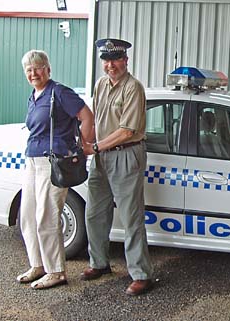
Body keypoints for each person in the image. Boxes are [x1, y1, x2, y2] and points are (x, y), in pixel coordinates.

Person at [81, 38, 153, 296]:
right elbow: (93, 117)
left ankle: (141, 274)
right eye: (106, 60)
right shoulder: (101, 84)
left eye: (115, 59)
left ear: (125, 60)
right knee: (94, 213)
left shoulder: (133, 88)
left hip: (125, 154)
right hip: (100, 156)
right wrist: (84, 141)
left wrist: (95, 147)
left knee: (131, 217)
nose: (110, 65)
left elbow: (126, 131)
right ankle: (99, 263)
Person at [17, 50, 94, 289]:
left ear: (48, 69)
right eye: (29, 70)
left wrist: (83, 145)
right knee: (28, 217)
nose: (33, 73)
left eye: (38, 68)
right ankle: (37, 265)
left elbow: (86, 116)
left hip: (54, 162)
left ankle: (56, 271)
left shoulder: (59, 92)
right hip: (33, 160)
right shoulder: (34, 96)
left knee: (47, 216)